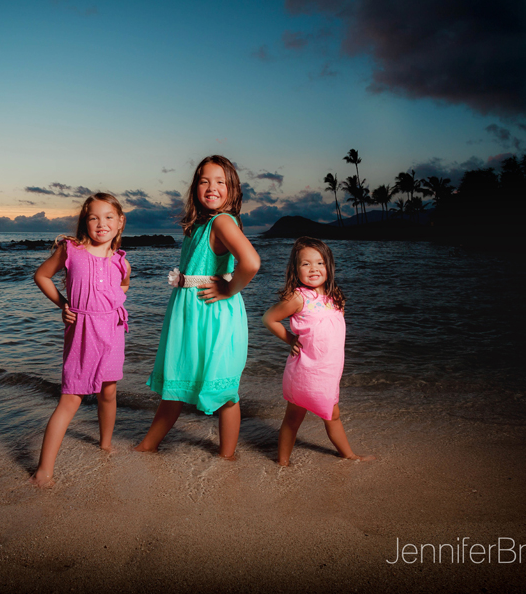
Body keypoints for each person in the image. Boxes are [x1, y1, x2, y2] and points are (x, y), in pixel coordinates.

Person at [135, 155, 260, 458]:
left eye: (220, 181)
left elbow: (252, 262)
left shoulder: (221, 221)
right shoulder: (199, 226)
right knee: (178, 382)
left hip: (213, 314)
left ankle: (226, 456)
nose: (212, 187)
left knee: (224, 391)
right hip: (190, 314)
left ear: (233, 189)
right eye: (204, 181)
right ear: (195, 188)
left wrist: (229, 287)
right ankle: (147, 446)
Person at [29, 193, 130, 487]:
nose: (102, 223)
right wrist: (64, 305)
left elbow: (123, 286)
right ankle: (43, 473)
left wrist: (114, 304)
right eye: (93, 217)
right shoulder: (71, 250)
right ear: (84, 222)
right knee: (71, 398)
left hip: (112, 330)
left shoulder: (122, 261)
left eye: (109, 217)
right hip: (82, 331)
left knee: (109, 391)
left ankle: (106, 445)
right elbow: (42, 276)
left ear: (120, 222)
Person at [262, 237, 374, 466]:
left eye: (320, 263)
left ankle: (348, 455)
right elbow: (269, 318)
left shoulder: (336, 298)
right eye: (306, 264)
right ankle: (282, 462)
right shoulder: (297, 297)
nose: (313, 268)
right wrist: (290, 339)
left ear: (329, 266)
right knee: (293, 418)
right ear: (295, 269)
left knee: (332, 415)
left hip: (328, 372)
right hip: (304, 371)